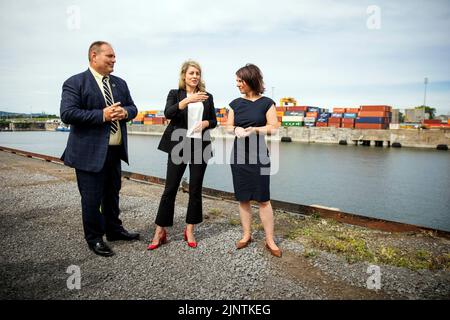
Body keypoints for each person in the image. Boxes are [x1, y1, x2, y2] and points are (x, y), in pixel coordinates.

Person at [60, 41, 139, 257]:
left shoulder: (120, 83)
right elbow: (67, 114)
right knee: (92, 198)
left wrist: (125, 113)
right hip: (88, 153)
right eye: (110, 56)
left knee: (112, 194)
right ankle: (94, 238)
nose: (114, 60)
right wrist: (102, 115)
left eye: (115, 57)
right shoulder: (75, 82)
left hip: (114, 152)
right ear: (94, 56)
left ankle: (114, 230)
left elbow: (134, 108)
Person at [147, 60, 217, 250]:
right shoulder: (175, 94)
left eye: (198, 74)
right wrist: (186, 101)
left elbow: (214, 121)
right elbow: (168, 113)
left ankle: (190, 229)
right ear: (184, 75)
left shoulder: (207, 97)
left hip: (199, 145)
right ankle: (159, 231)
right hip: (179, 144)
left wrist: (206, 124)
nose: (195, 76)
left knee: (195, 189)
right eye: (191, 73)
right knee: (170, 189)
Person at [226, 63, 282, 257]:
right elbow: (228, 126)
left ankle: (269, 239)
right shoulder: (234, 104)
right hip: (238, 155)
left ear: (250, 80)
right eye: (237, 81)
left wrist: (255, 129)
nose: (237, 84)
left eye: (240, 81)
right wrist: (236, 130)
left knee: (264, 199)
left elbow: (273, 127)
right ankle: (246, 235)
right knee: (243, 199)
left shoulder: (267, 102)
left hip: (259, 155)